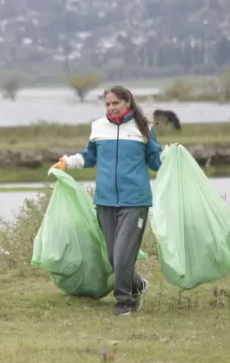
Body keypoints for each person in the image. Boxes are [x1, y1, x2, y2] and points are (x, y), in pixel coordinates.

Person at [51, 85, 178, 316]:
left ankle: (124, 303)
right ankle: (138, 285)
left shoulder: (143, 128)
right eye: (107, 104)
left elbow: (155, 161)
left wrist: (169, 154)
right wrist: (67, 163)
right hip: (105, 201)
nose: (111, 108)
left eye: (115, 103)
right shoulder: (98, 127)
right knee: (113, 257)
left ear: (127, 102)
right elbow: (89, 157)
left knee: (122, 256)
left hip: (135, 201)